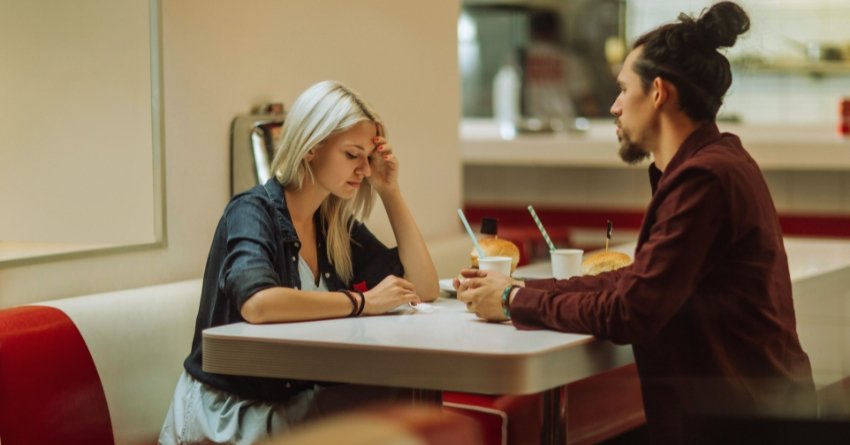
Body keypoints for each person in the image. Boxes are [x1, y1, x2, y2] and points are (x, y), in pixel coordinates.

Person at [457, 2, 816, 443]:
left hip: (740, 426)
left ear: (659, 93)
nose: (614, 107)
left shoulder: (705, 178)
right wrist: (523, 290)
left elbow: (632, 311)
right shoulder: (715, 163)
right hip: (755, 415)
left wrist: (514, 303)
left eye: (624, 90)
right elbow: (642, 281)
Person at [160, 80, 440, 445]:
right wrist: (362, 303)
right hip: (231, 412)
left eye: (367, 158)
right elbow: (258, 303)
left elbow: (425, 287)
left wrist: (390, 191)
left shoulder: (333, 223)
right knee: (391, 407)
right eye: (352, 155)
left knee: (402, 398)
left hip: (288, 400)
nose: (364, 170)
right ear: (311, 149)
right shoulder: (251, 210)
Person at [521, 9, 598, 126]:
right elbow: (588, 104)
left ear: (531, 30)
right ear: (556, 30)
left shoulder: (518, 58)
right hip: (564, 125)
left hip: (530, 125)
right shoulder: (569, 59)